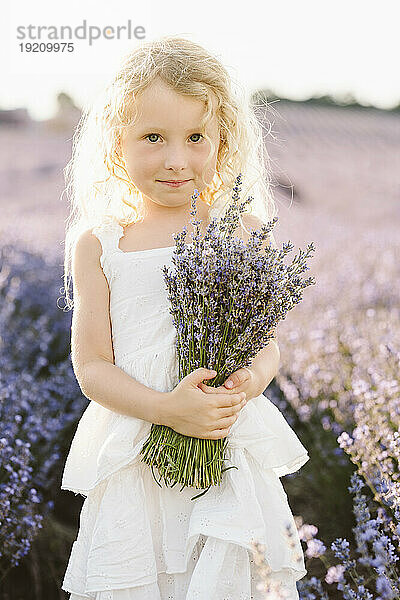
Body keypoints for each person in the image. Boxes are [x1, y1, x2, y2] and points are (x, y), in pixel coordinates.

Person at [60, 35, 310, 600]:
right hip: (137, 448)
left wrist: (248, 381)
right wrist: (166, 408)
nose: (176, 159)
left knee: (228, 575)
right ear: (115, 145)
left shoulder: (238, 233)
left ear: (222, 143)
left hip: (223, 448)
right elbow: (92, 365)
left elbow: (265, 342)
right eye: (153, 138)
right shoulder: (101, 243)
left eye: (196, 138)